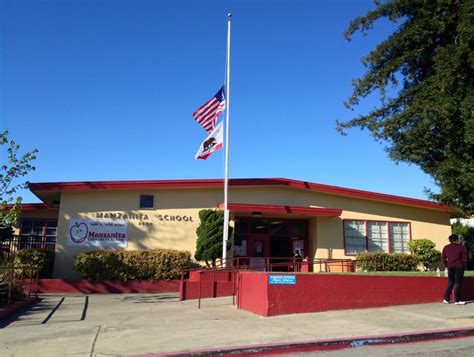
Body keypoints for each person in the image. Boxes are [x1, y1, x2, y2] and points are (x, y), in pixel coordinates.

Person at [442, 234, 468, 305]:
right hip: (459, 267)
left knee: (450, 282)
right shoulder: (461, 247)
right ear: (457, 239)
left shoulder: (446, 247)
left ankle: (446, 299)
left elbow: (443, 259)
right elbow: (465, 258)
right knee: (458, 283)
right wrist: (464, 265)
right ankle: (457, 300)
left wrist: (447, 265)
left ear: (450, 240)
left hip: (450, 267)